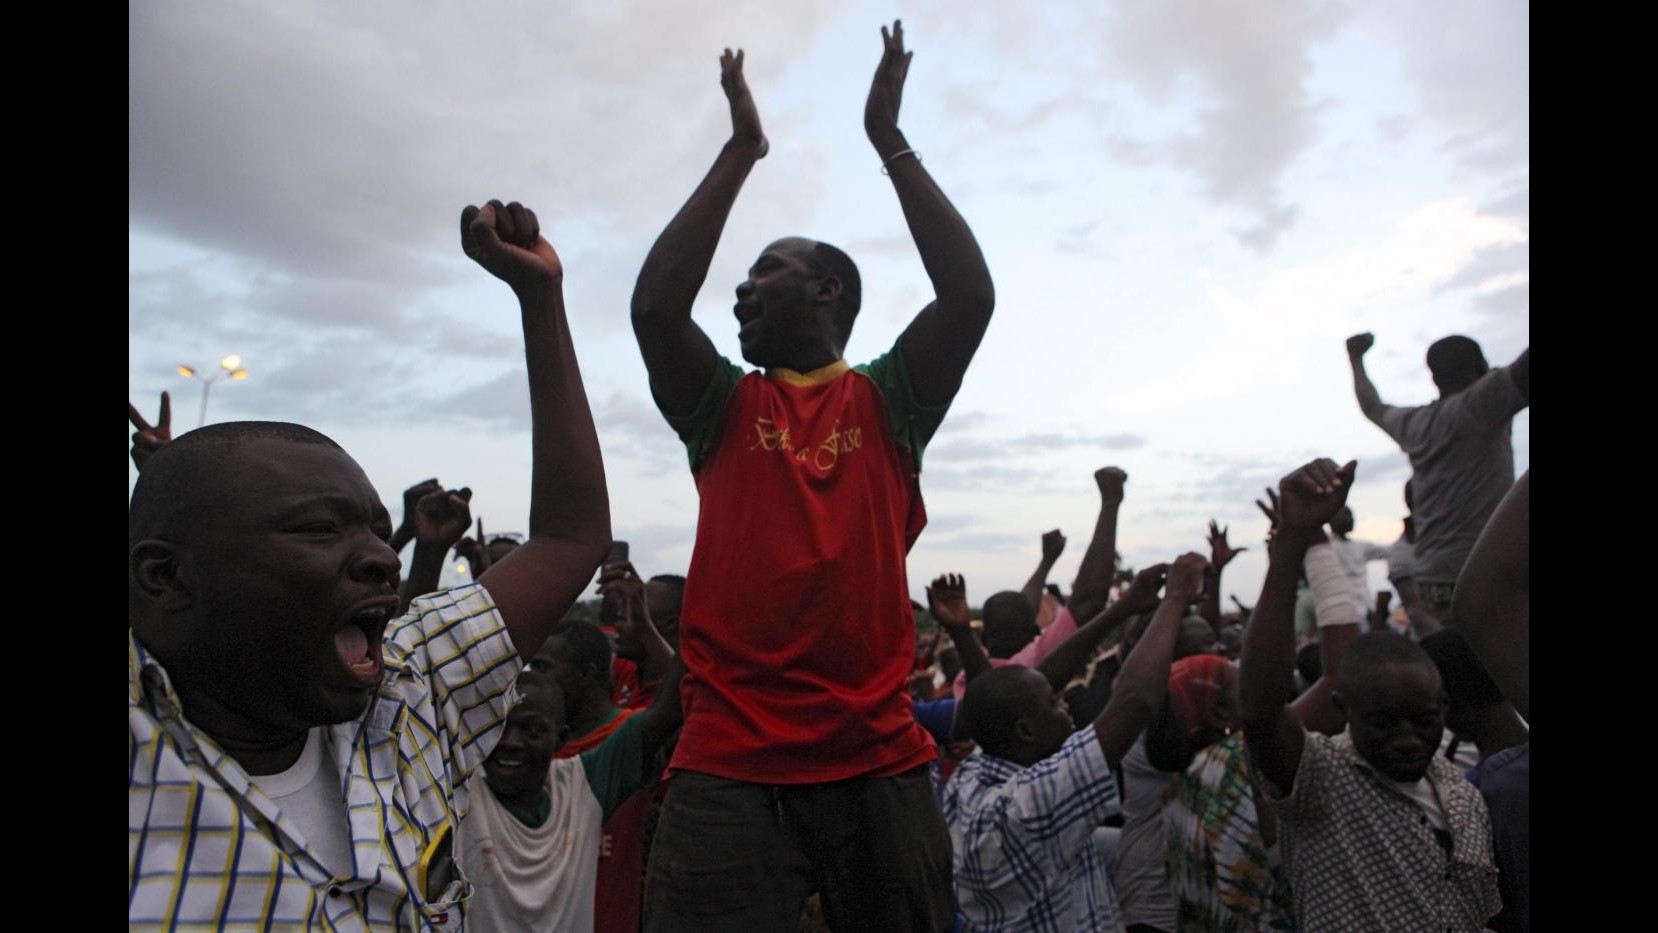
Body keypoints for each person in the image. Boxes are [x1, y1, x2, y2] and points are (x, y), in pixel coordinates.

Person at [128, 200, 611, 928]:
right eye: (321, 527)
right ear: (166, 577)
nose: (386, 557)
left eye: (382, 531)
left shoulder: (408, 705)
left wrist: (540, 297)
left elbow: (569, 538)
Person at [628, 22, 994, 931]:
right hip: (726, 769)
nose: (742, 291)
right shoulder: (724, 408)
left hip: (878, 764)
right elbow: (655, 306)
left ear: (829, 291)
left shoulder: (889, 402)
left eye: (766, 272)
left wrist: (888, 140)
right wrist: (742, 149)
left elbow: (969, 296)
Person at [1239, 458, 1500, 931]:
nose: (1406, 739)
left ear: (1445, 709)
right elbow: (1259, 710)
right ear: (1343, 710)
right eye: (1384, 722)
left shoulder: (1462, 794)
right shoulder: (1321, 778)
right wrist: (1293, 545)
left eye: (1422, 721)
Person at [943, 556, 1201, 931]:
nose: (1064, 705)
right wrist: (1175, 598)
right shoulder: (1029, 806)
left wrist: (1124, 607)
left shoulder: (979, 769)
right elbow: (1135, 701)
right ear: (1026, 732)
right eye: (1054, 703)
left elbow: (1036, 680)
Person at [457, 644, 684, 933]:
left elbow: (669, 708)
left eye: (532, 729)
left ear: (560, 739)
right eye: (498, 728)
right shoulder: (460, 791)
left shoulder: (582, 784)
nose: (510, 742)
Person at [1346, 332, 1529, 621]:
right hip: (1484, 571)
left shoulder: (1415, 424)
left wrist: (1355, 358)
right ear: (1479, 368)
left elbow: (1371, 406)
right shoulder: (1481, 404)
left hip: (1432, 579)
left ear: (1434, 378)